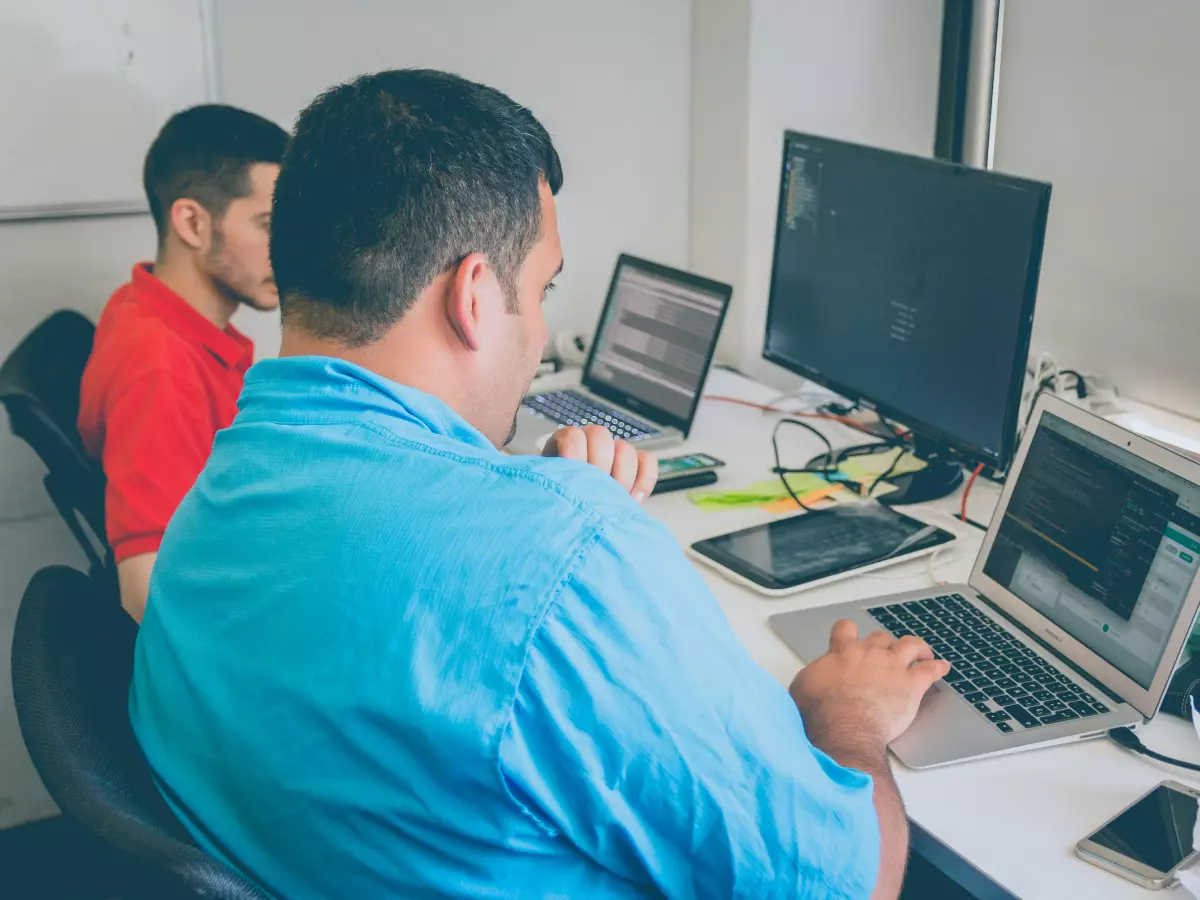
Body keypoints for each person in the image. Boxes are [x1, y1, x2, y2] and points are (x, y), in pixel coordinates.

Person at [130, 70, 948, 899]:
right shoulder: (564, 557)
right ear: (475, 296)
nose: (543, 327)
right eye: (542, 288)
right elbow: (850, 885)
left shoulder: (219, 485)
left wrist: (528, 516)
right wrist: (849, 719)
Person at [78, 104, 288, 621]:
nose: (289, 249)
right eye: (268, 224)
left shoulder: (143, 303)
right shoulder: (160, 371)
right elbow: (145, 591)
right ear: (193, 222)